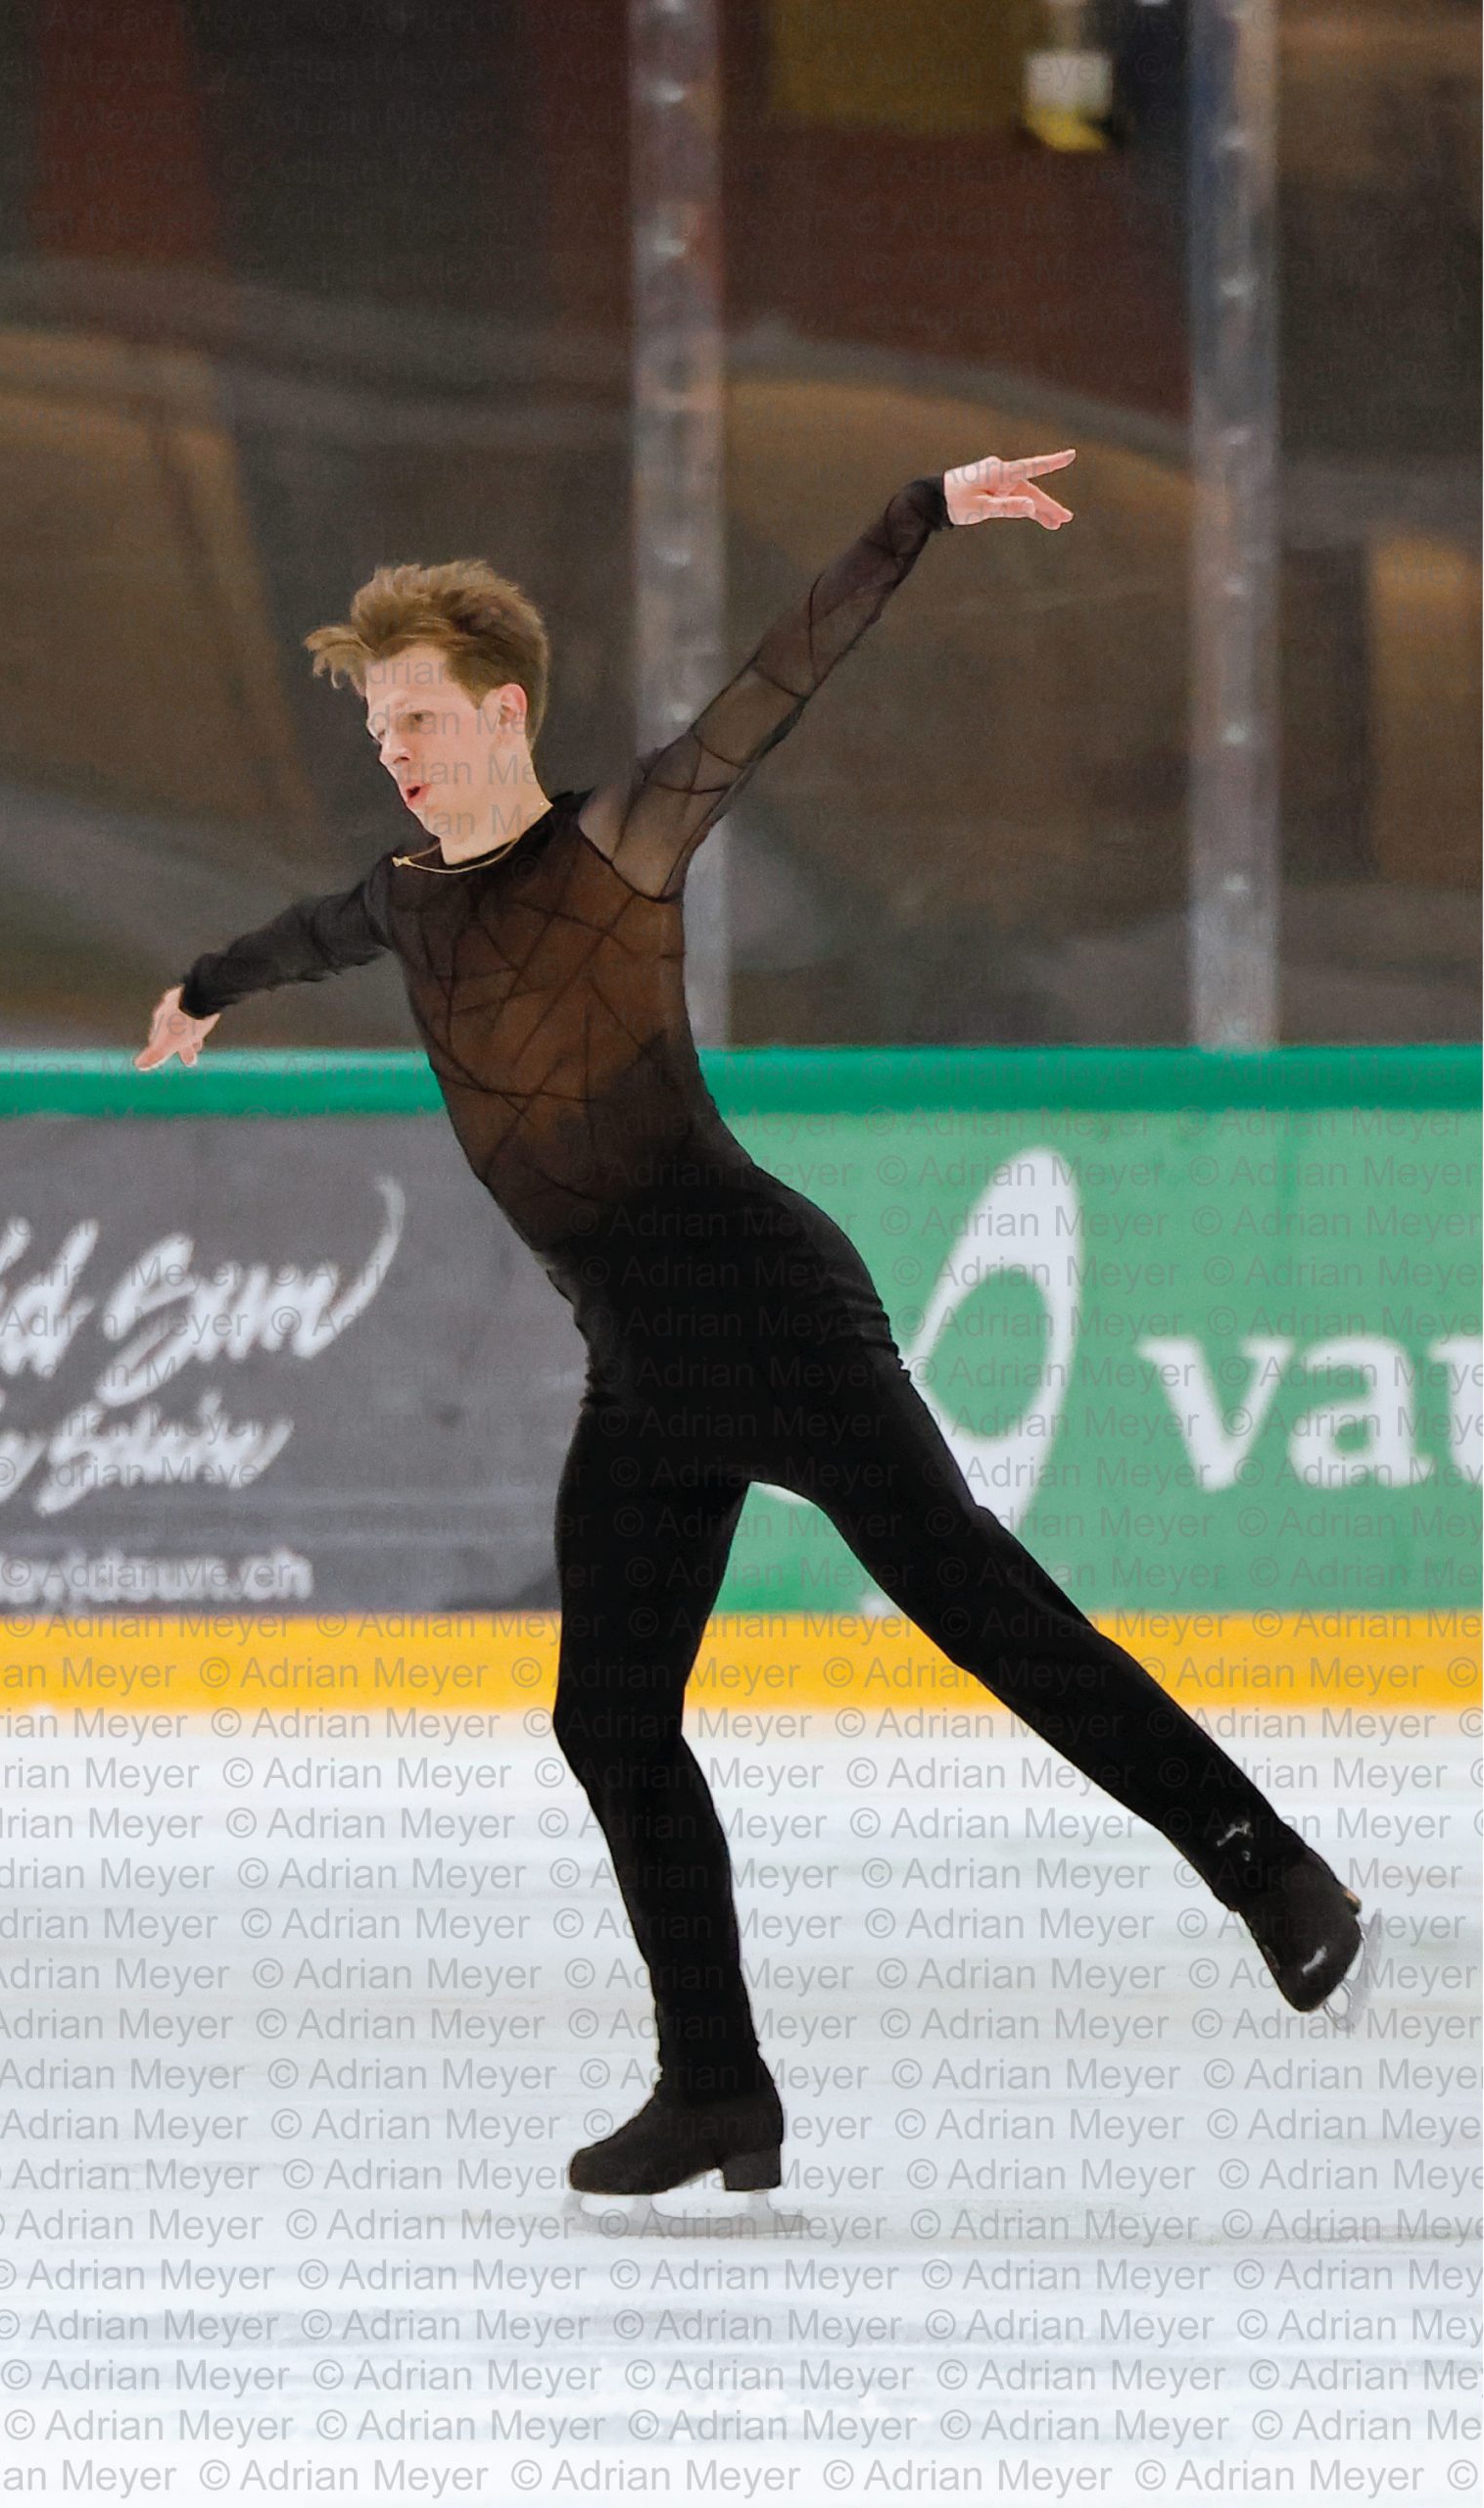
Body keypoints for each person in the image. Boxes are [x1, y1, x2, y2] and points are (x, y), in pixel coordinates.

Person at [136, 452, 1367, 2200]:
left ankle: (1277, 1877)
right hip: (642, 1369)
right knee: (610, 1721)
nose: (393, 753)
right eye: (375, 731)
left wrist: (922, 507)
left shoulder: (622, 845)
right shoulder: (411, 901)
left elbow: (780, 680)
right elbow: (305, 933)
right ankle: (719, 2089)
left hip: (758, 1298)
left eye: (415, 719)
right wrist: (200, 988)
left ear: (502, 714)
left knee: (982, 1607)